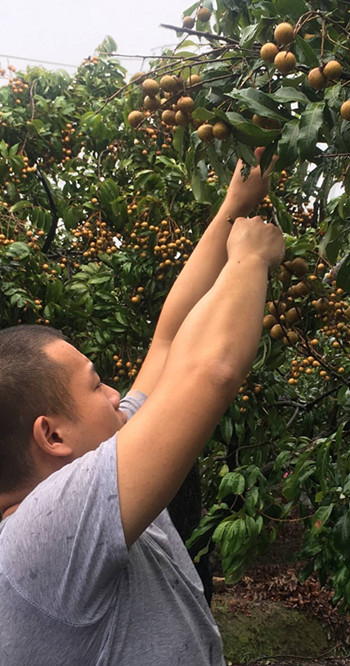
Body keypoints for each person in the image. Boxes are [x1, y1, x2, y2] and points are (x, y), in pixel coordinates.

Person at [0, 149, 285, 665]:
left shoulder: (101, 470)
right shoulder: (37, 540)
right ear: (53, 436)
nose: (116, 394)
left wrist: (233, 206)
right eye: (96, 386)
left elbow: (168, 341)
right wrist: (250, 259)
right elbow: (209, 373)